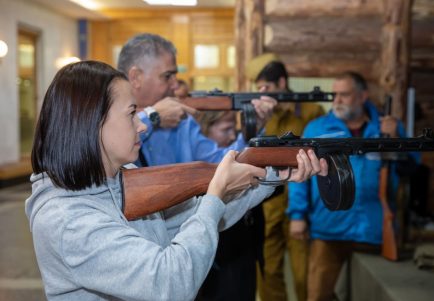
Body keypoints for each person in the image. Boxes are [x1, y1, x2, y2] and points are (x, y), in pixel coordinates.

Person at [25, 60, 328, 301]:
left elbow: (192, 218)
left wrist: (273, 174)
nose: (142, 126)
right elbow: (170, 283)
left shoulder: (117, 184)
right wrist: (214, 196)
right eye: (132, 114)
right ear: (92, 122)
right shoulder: (67, 221)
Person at [287, 71, 412, 301]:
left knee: (373, 293)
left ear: (362, 96)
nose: (337, 100)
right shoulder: (316, 128)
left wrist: (395, 141)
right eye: (334, 94)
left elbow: (411, 170)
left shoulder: (387, 127)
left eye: (344, 94)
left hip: (374, 230)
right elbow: (299, 177)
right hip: (328, 229)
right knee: (318, 295)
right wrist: (297, 215)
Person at [117, 33, 277, 166]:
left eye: (175, 75)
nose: (175, 85)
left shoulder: (183, 123)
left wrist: (251, 131)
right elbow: (113, 150)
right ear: (136, 77)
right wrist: (153, 117)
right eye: (167, 76)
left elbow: (219, 164)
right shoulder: (103, 118)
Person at [245, 53, 325, 301]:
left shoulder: (312, 111)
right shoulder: (263, 113)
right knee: (268, 273)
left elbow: (320, 159)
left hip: (301, 205)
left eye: (266, 87)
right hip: (269, 204)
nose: (262, 94)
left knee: (304, 275)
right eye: (258, 89)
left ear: (282, 82)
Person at [195, 111, 264, 301]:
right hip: (219, 259)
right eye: (225, 130)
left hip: (245, 249)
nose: (233, 136)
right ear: (204, 134)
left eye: (234, 129)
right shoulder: (195, 174)